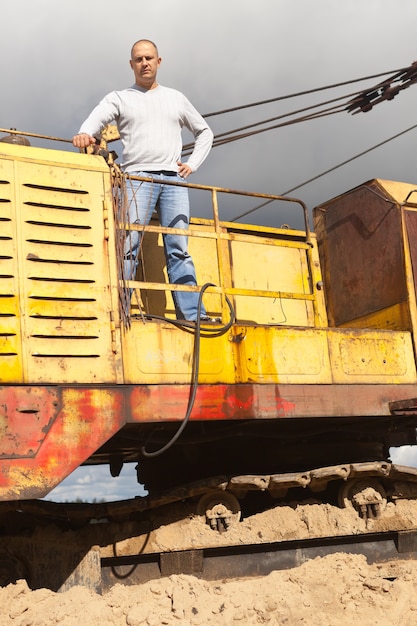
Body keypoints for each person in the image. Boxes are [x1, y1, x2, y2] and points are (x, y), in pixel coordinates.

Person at [72, 39, 214, 322]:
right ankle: (119, 309)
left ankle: (193, 314)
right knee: (129, 243)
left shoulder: (175, 98)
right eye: (139, 59)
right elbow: (96, 119)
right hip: (137, 177)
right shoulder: (120, 98)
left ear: (159, 62)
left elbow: (205, 132)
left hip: (174, 180)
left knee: (179, 248)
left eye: (149, 58)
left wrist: (192, 165)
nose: (144, 63)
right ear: (131, 64)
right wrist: (84, 133)